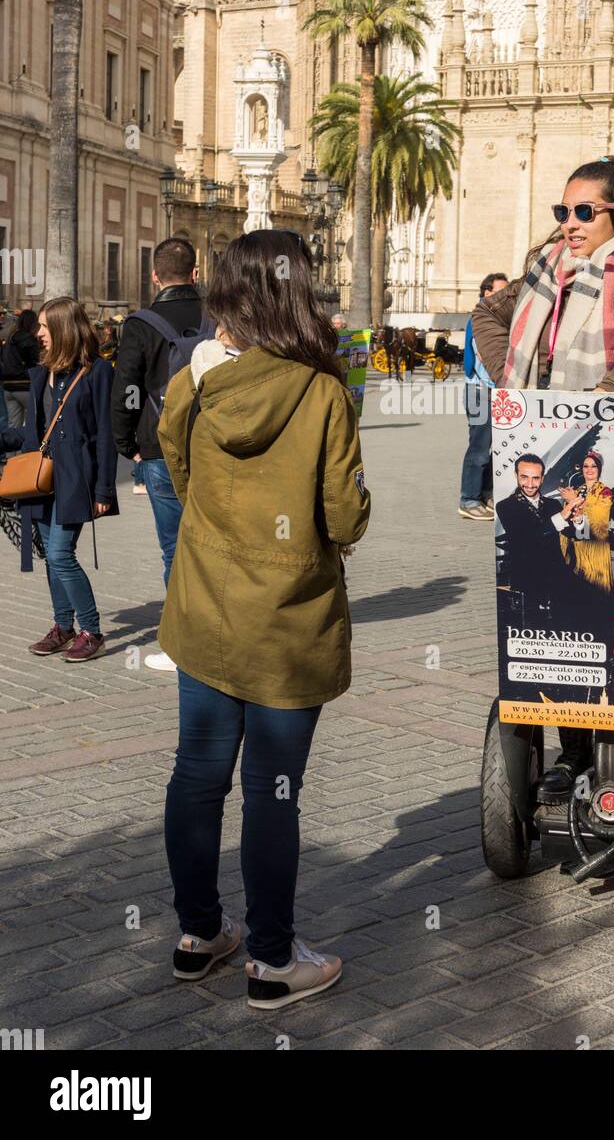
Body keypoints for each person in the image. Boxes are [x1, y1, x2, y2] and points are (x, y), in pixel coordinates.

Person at [157, 230, 370, 1008]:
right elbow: (343, 518)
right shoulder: (321, 392)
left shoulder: (195, 382)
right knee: (271, 790)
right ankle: (272, 960)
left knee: (197, 774)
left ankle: (197, 934)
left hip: (205, 606)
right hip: (287, 622)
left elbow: (178, 475)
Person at [473, 153, 614, 793]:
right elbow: (488, 315)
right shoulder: (544, 269)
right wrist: (517, 382)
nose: (569, 223)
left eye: (583, 212)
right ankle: (571, 745)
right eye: (561, 211)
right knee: (562, 606)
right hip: (548, 449)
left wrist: (613, 388)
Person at [0, 298, 118, 661]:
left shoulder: (97, 372)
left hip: (75, 480)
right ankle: (63, 626)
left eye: (45, 327)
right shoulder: (40, 373)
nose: (39, 333)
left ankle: (91, 630)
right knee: (52, 558)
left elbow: (105, 435)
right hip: (40, 480)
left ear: (65, 329)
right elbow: (32, 433)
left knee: (60, 554)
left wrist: (104, 490)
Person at [111, 238, 203, 673]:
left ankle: (184, 642)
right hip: (212, 446)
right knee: (213, 542)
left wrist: (125, 441)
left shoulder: (141, 323)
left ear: (154, 276)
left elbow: (126, 386)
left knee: (173, 547)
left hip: (159, 446)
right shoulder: (216, 316)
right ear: (196, 273)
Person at [495, 454, 585, 627]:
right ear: (516, 475)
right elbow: (527, 537)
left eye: (535, 478)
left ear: (542, 478)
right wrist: (562, 515)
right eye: (524, 477)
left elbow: (574, 535)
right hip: (528, 577)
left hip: (558, 575)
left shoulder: (552, 505)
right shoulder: (506, 506)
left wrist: (579, 518)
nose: (529, 484)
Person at [460, 271, 508, 520]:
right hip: (479, 391)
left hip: (496, 391)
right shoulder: (481, 318)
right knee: (479, 447)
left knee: (496, 446)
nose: (505, 296)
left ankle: (487, 493)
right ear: (487, 293)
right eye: (500, 291)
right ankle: (468, 499)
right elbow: (486, 356)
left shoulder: (499, 319)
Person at [559, 450, 613, 594]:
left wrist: (573, 501)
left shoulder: (605, 492)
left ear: (599, 469)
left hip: (595, 548)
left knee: (596, 591)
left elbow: (598, 520)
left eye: (593, 466)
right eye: (586, 466)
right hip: (577, 549)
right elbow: (568, 519)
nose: (589, 469)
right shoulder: (578, 491)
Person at [2, 308, 41, 427]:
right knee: (35, 422)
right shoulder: (28, 338)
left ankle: (12, 446)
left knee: (14, 426)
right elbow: (36, 360)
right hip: (24, 385)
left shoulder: (10, 337)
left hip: (8, 387)